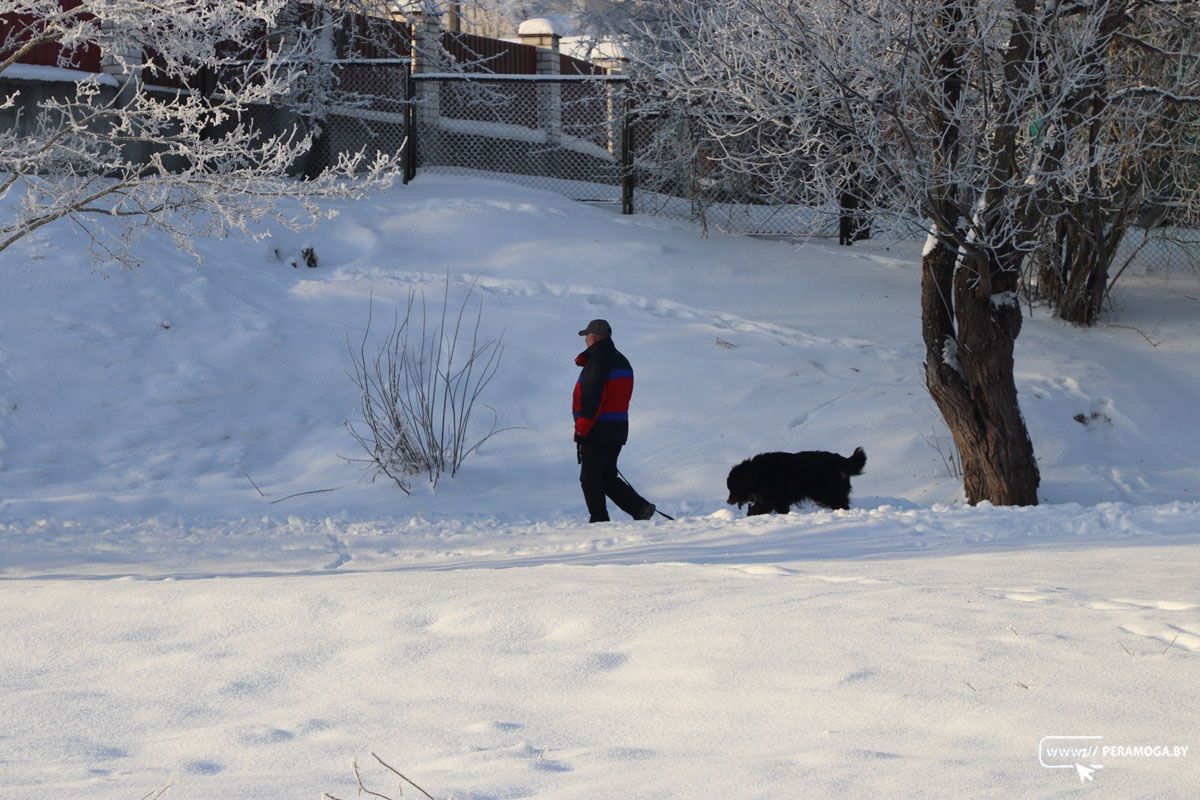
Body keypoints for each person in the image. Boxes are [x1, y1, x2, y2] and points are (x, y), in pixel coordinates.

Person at [572, 319, 656, 523]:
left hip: (597, 429)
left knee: (590, 479)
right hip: (617, 429)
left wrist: (582, 429)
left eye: (586, 337)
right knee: (607, 477)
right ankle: (640, 508)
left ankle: (599, 520)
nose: (585, 341)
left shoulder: (598, 361)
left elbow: (592, 399)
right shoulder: (622, 360)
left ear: (593, 338)